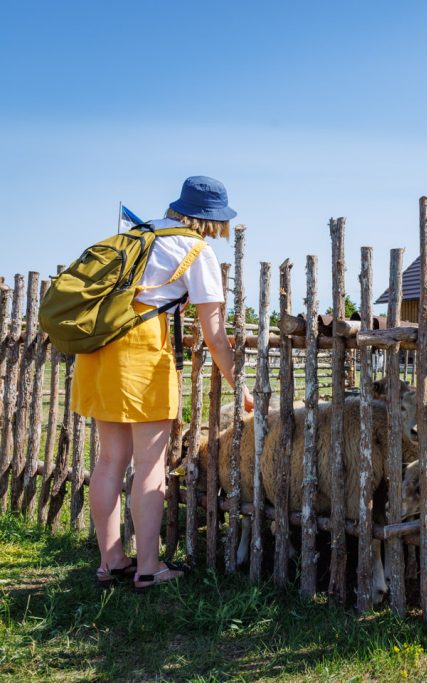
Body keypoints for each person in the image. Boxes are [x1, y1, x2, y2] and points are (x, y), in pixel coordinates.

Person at [73, 176, 254, 591]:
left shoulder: (138, 234)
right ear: (213, 220)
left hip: (99, 347)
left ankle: (111, 561)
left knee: (109, 459)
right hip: (140, 351)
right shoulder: (196, 250)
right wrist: (240, 387)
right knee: (150, 465)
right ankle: (150, 567)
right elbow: (215, 336)